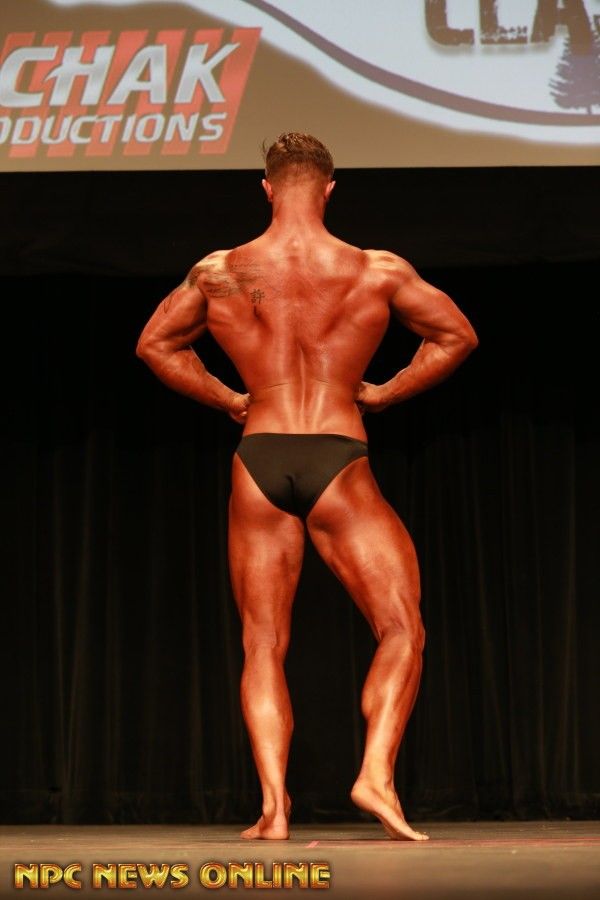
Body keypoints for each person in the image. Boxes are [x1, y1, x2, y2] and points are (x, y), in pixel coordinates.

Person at [136, 133, 478, 842]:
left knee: (262, 643)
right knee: (401, 627)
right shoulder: (374, 269)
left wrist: (231, 400)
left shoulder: (221, 271)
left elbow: (155, 345)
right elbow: (456, 337)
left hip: (258, 456)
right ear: (329, 189)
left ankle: (273, 808)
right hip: (338, 452)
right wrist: (384, 393)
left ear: (266, 189)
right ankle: (375, 774)